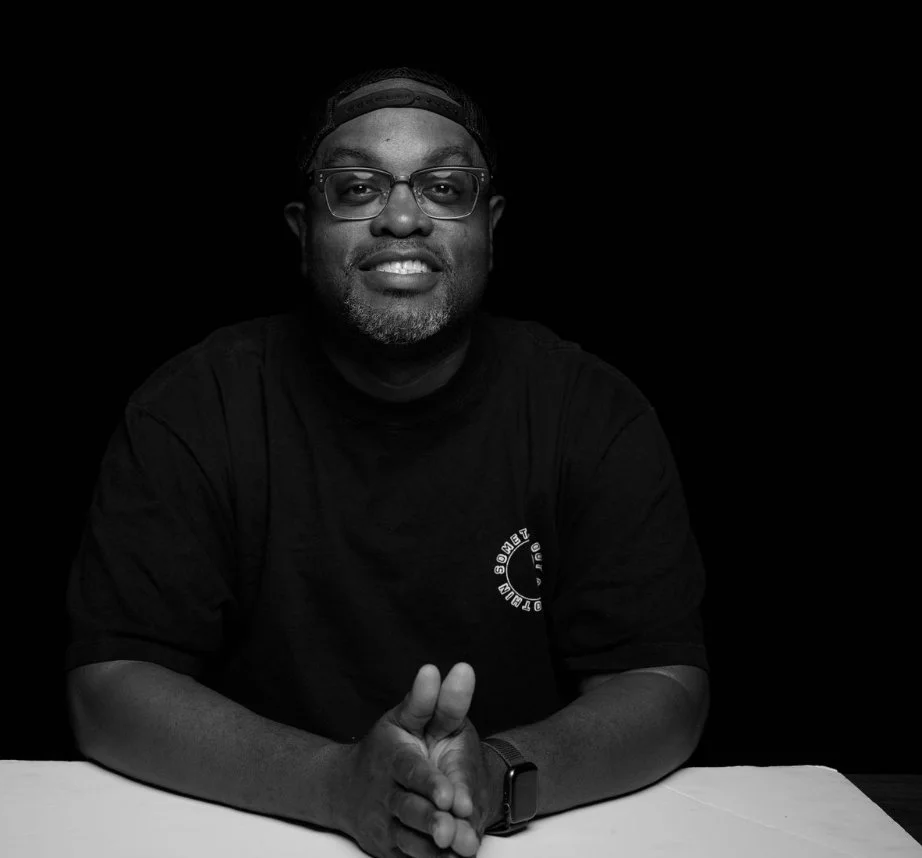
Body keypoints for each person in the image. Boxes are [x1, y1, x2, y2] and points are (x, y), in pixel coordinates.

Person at [65, 66, 710, 858]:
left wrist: (498, 774)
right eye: (357, 188)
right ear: (303, 230)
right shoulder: (196, 408)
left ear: (491, 226)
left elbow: (665, 683)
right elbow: (108, 684)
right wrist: (333, 784)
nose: (402, 218)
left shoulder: (591, 413)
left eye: (444, 188)